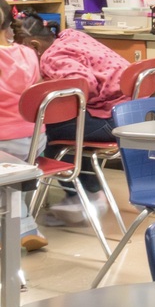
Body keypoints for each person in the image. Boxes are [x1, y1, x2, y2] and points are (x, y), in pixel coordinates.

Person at [16, 12, 130, 225]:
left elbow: (83, 85)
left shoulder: (52, 57)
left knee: (46, 132)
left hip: (111, 118)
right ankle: (89, 191)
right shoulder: (70, 36)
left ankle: (80, 196)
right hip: (129, 111)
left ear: (34, 45)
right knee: (66, 127)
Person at [0, 0, 48, 251]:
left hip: (5, 144)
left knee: (4, 168)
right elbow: (36, 94)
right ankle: (25, 227)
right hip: (35, 141)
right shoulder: (28, 52)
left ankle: (18, 228)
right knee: (9, 173)